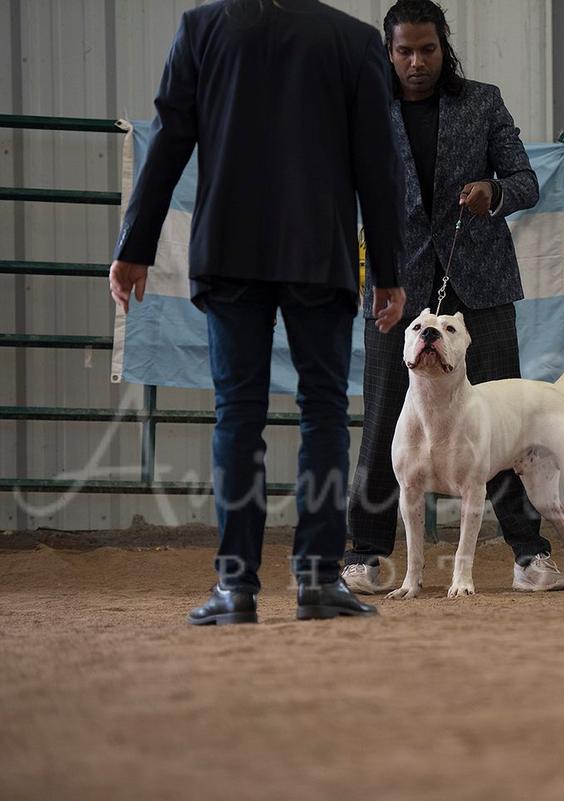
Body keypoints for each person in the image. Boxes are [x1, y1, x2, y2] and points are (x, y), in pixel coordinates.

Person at [108, 0, 409, 624]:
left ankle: (236, 588)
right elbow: (377, 164)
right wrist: (389, 270)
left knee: (237, 415)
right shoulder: (352, 42)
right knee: (323, 412)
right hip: (318, 250)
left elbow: (169, 140)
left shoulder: (202, 29)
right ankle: (320, 581)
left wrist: (135, 247)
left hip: (229, 248)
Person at [343, 0, 564, 594]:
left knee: (506, 426)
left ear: (444, 47)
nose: (416, 62)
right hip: (397, 288)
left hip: (482, 290)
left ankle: (530, 558)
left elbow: (524, 180)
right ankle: (365, 555)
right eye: (403, 51)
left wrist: (493, 191)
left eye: (427, 49)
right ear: (387, 53)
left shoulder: (483, 102)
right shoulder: (366, 111)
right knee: (382, 424)